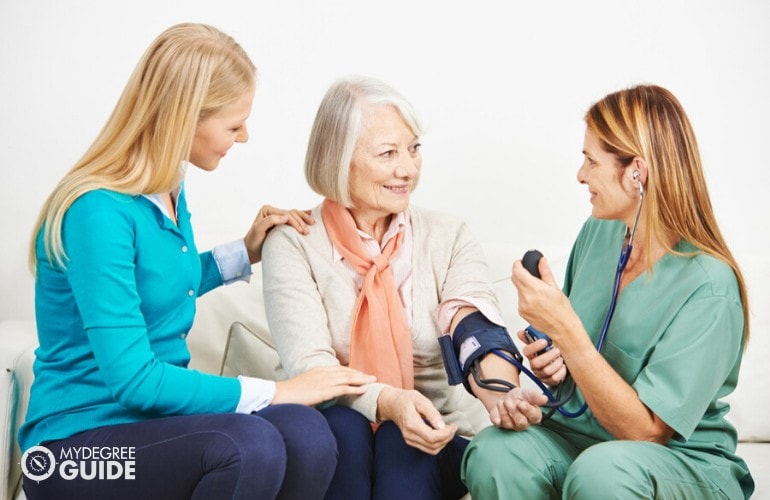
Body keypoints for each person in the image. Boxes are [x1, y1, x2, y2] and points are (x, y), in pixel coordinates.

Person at [19, 23, 375, 500]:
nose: (244, 136)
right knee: (248, 445)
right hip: (73, 455)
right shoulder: (96, 212)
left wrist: (243, 252)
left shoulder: (167, 189)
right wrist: (277, 390)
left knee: (308, 434)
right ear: (185, 117)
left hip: (158, 428)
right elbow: (136, 381)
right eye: (234, 124)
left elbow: (157, 287)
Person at [461, 85, 755, 498]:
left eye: (591, 161)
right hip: (581, 439)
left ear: (638, 171)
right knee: (496, 451)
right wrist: (555, 359)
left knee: (602, 472)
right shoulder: (600, 233)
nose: (581, 175)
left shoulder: (710, 287)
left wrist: (568, 334)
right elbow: (578, 348)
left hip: (675, 459)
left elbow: (647, 432)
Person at [261, 76, 540, 500]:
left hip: (436, 437)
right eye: (388, 153)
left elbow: (474, 328)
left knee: (401, 438)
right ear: (339, 160)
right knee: (344, 425)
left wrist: (499, 393)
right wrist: (389, 402)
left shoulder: (447, 236)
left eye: (413, 149)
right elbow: (311, 368)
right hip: (336, 434)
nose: (408, 168)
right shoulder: (294, 241)